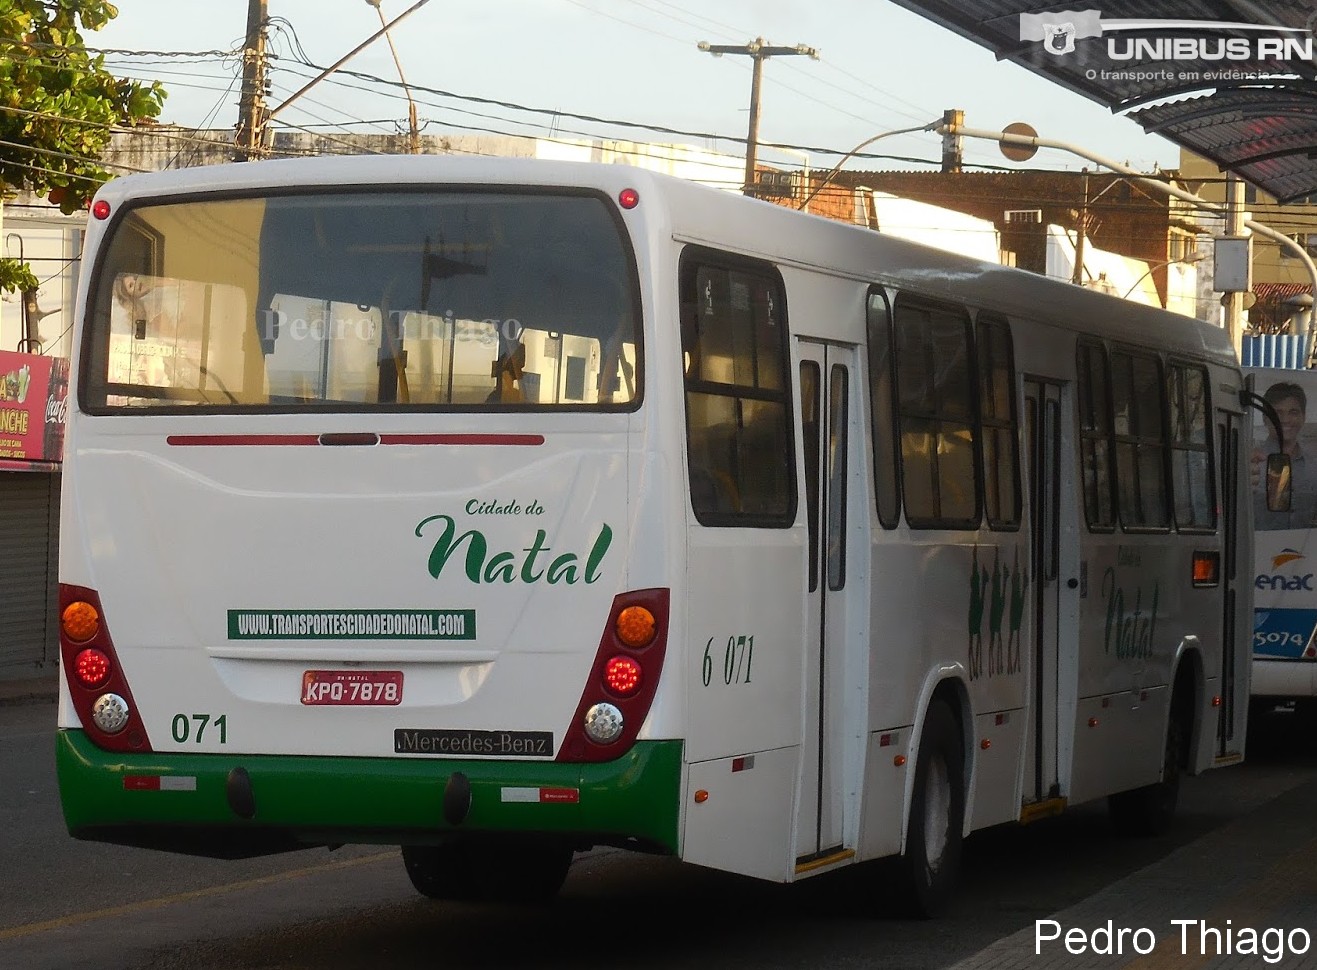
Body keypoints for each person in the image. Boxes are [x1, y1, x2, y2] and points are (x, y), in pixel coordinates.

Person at [1253, 380, 1317, 529]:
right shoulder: (1251, 463)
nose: (1285, 420)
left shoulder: (1313, 467)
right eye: (1277, 413)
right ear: (1265, 418)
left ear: (1303, 417)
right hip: (1259, 543)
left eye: (1293, 412)